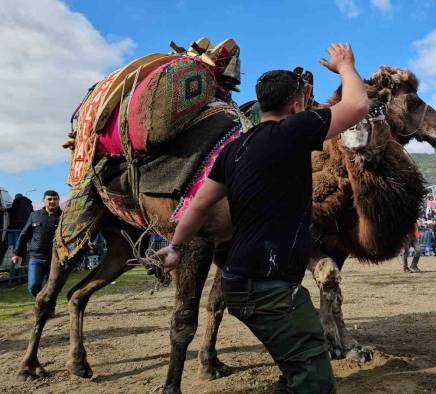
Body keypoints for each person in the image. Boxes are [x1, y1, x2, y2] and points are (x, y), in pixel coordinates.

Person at [156, 42, 369, 393]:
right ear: (297, 104)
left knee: (301, 349)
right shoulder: (296, 131)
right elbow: (358, 105)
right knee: (316, 380)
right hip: (270, 289)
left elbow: (197, 206)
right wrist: (346, 66)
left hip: (239, 285)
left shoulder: (232, 149)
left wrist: (176, 247)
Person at [12, 190, 62, 297]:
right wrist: (17, 253)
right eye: (49, 199)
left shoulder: (64, 217)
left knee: (52, 287)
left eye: (55, 199)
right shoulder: (34, 215)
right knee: (34, 286)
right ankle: (40, 303)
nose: (52, 201)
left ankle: (49, 309)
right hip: (36, 258)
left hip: (55, 258)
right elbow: (24, 235)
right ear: (43, 201)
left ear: (58, 201)